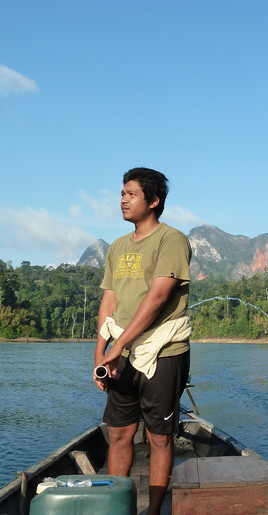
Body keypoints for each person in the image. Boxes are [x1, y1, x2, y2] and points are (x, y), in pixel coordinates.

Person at [93, 167, 192, 515]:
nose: (122, 199)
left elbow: (158, 298)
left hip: (162, 352)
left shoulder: (171, 240)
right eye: (122, 193)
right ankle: (116, 506)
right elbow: (109, 303)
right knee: (119, 433)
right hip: (120, 353)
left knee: (159, 437)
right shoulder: (117, 246)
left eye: (131, 193)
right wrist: (100, 355)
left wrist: (117, 349)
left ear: (153, 201)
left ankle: (153, 512)